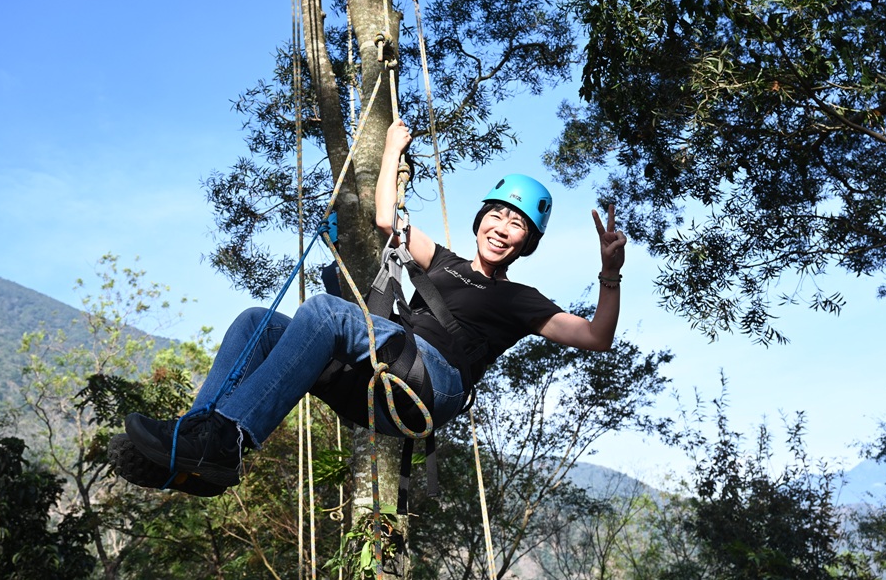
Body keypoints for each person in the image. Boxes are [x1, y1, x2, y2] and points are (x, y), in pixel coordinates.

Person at [112, 118, 627, 495]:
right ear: (480, 221)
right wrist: (390, 150)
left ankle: (227, 440)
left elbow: (596, 337)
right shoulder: (444, 261)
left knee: (324, 313)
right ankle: (195, 438)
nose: (501, 228)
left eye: (515, 225)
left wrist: (609, 271)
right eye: (495, 215)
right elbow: (387, 218)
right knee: (256, 323)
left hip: (431, 383)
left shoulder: (521, 301)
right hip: (380, 375)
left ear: (526, 243)